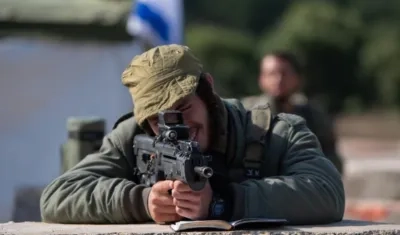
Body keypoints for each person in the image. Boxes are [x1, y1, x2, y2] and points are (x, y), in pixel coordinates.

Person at [40, 44, 344, 225]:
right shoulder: (133, 134)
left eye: (183, 107)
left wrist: (223, 202)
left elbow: (327, 193)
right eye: (160, 118)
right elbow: (57, 197)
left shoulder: (279, 132)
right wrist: (142, 201)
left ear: (207, 90)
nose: (177, 126)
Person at [241, 51, 344, 174]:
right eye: (271, 74)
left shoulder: (313, 116)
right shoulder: (245, 112)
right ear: (261, 79)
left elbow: (332, 160)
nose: (278, 79)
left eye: (284, 73)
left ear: (297, 78)